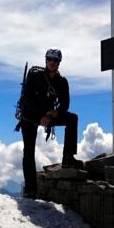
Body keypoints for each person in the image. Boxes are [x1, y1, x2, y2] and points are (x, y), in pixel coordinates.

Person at [19, 48, 82, 198]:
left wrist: (51, 114)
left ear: (59, 63)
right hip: (29, 116)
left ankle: (68, 158)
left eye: (55, 60)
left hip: (48, 115)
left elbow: (65, 105)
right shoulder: (35, 75)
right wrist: (42, 115)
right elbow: (25, 99)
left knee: (72, 118)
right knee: (28, 152)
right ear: (45, 60)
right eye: (49, 59)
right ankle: (30, 190)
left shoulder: (62, 82)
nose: (52, 62)